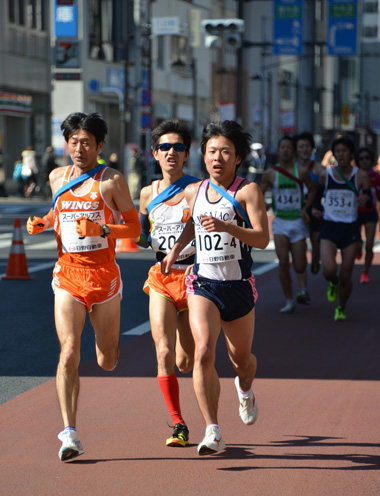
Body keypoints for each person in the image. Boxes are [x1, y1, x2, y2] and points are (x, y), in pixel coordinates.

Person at [26, 112, 141, 461]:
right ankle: (70, 433)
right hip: (68, 274)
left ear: (99, 146)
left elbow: (135, 229)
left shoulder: (112, 181)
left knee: (107, 360)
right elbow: (56, 211)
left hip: (104, 277)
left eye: (87, 143)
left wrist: (103, 230)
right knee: (69, 352)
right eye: (74, 142)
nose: (79, 148)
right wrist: (43, 222)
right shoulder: (57, 176)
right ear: (67, 144)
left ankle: (106, 350)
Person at [161, 120, 269, 455]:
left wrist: (226, 226)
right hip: (203, 283)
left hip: (237, 286)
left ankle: (245, 388)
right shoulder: (194, 191)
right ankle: (213, 429)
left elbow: (263, 239)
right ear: (203, 157)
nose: (217, 158)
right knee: (204, 350)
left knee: (241, 362)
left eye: (225, 152)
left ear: (237, 158)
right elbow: (193, 225)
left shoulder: (247, 191)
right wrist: (177, 251)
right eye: (211, 152)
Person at [135, 120, 197, 447]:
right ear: (155, 153)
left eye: (178, 147)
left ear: (187, 153)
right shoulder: (148, 194)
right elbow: (145, 237)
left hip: (195, 280)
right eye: (165, 147)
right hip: (161, 279)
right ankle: (178, 425)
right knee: (163, 352)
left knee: (186, 361)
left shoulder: (197, 189)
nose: (171, 152)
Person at [312, 136, 372, 321]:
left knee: (346, 274)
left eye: (344, 151)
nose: (341, 155)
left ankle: (341, 306)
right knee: (329, 270)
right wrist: (316, 210)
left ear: (351, 153)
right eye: (338, 152)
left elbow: (370, 200)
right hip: (330, 226)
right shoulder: (326, 174)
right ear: (334, 154)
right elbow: (317, 198)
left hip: (350, 228)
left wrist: (366, 201)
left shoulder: (360, 175)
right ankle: (334, 283)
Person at [260, 135, 316, 313]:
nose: (285, 150)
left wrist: (306, 207)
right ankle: (289, 299)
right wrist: (265, 204)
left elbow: (312, 190)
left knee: (299, 265)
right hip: (280, 222)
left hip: (297, 222)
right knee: (283, 262)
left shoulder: (301, 172)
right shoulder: (270, 174)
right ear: (278, 150)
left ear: (293, 151)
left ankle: (303, 289)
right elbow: (258, 195)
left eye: (288, 148)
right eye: (282, 147)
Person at [295, 131, 323, 274]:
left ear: (312, 148)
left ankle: (315, 259)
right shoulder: (292, 169)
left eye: (307, 146)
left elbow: (327, 191)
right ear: (296, 149)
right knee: (299, 243)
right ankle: (301, 267)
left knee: (315, 241)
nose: (305, 149)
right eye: (301, 147)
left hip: (314, 208)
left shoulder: (319, 169)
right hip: (296, 209)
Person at [355, 147, 380, 283]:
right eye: (361, 159)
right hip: (356, 213)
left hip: (370, 213)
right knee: (357, 243)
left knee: (369, 245)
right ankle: (358, 248)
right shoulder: (354, 176)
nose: (364, 161)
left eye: (367, 158)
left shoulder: (376, 176)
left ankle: (365, 272)